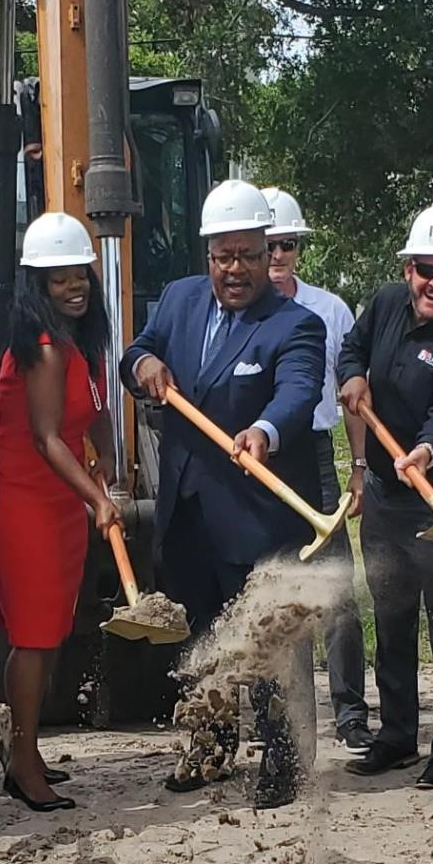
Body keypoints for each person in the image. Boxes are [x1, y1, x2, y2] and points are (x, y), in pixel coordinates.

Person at [123, 179, 325, 809]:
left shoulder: (296, 325)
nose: (234, 270)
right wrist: (142, 367)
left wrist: (264, 429)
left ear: (270, 253)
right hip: (187, 511)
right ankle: (208, 749)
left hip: (256, 516)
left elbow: (296, 391)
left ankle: (285, 762)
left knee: (267, 642)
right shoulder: (180, 300)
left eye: (246, 255)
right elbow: (140, 350)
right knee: (204, 640)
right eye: (222, 256)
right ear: (207, 254)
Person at [338, 201, 433, 790]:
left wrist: (424, 449)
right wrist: (352, 374)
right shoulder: (382, 305)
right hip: (381, 495)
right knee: (391, 617)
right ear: (408, 269)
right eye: (426, 269)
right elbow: (353, 349)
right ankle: (398, 736)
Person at [0, 212, 119, 811]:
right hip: (25, 502)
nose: (74, 286)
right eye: (59, 277)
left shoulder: (78, 342)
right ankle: (22, 758)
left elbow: (94, 408)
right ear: (36, 284)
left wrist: (109, 459)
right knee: (33, 637)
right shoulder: (40, 346)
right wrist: (99, 499)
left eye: (80, 274)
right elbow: (45, 437)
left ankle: (26, 748)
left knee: (53, 630)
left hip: (62, 500)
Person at [262, 186, 372, 754]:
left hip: (316, 455)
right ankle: (284, 717)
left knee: (338, 589)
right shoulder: (234, 313)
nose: (278, 256)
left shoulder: (329, 310)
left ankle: (350, 712)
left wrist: (357, 467)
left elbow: (352, 395)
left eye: (287, 245)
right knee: (275, 593)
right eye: (269, 245)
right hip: (259, 461)